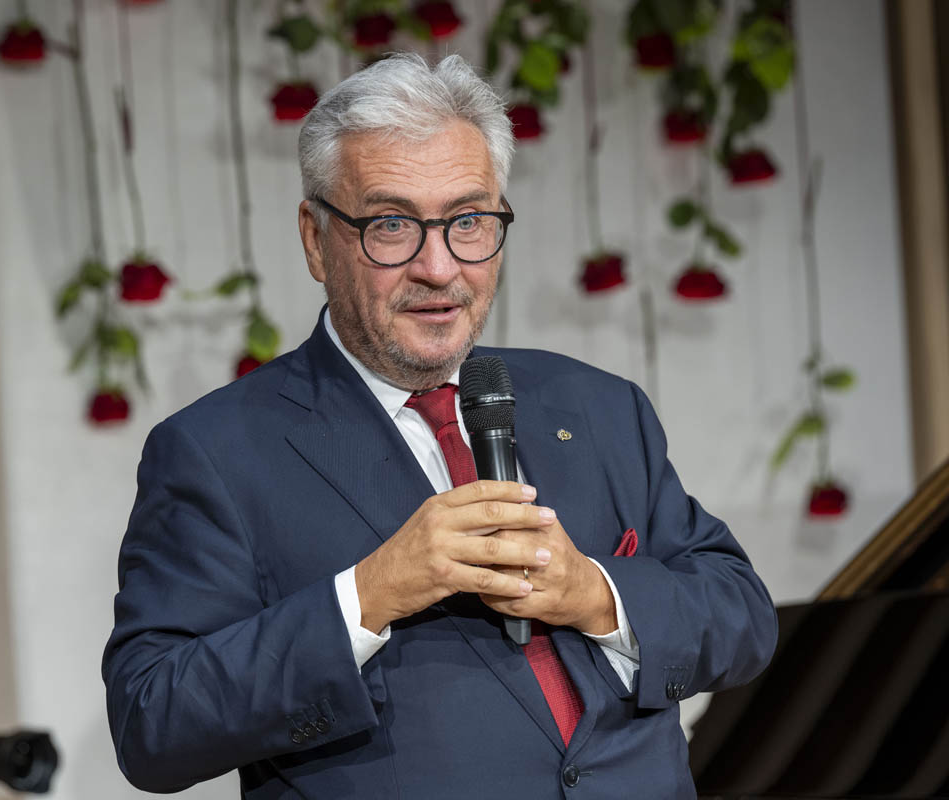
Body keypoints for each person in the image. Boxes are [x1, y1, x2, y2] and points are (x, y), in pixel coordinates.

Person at [102, 53, 776, 798]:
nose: (439, 266)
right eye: (392, 225)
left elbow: (741, 616)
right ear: (316, 239)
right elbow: (151, 722)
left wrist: (593, 591)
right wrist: (368, 594)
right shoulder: (215, 451)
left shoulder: (597, 406)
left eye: (468, 221)